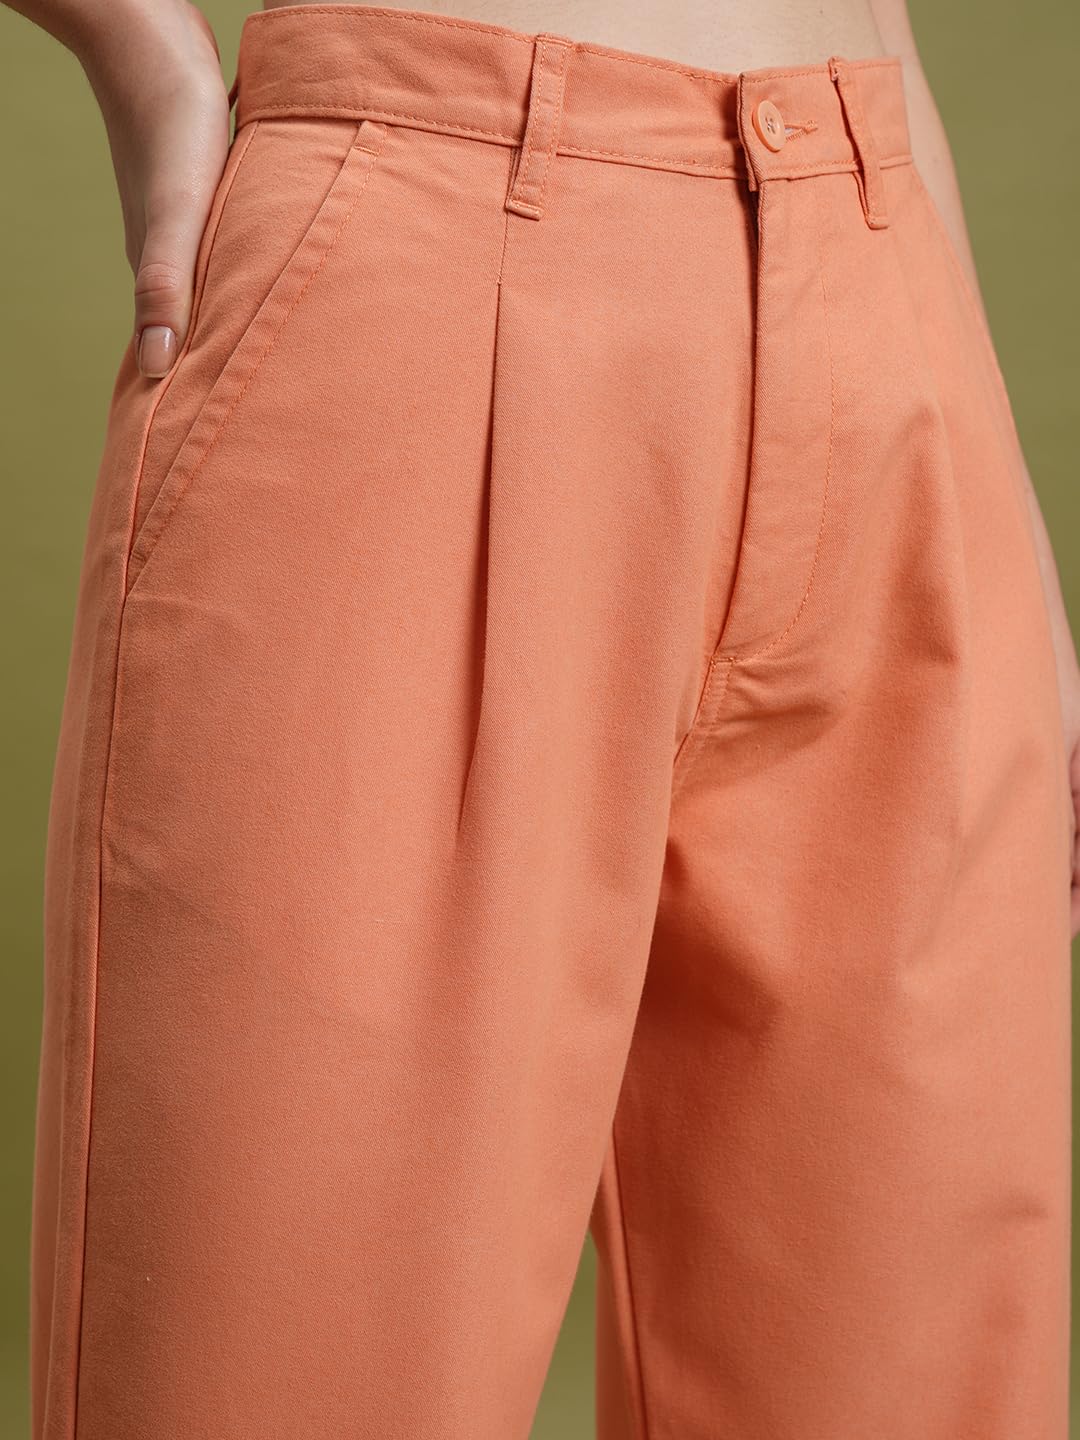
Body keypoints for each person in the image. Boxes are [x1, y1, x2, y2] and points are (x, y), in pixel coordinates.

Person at [10, 0, 1078, 1436]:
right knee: (291, 1370)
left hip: (890, 276)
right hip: (423, 260)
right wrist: (149, 62)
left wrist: (996, 487)